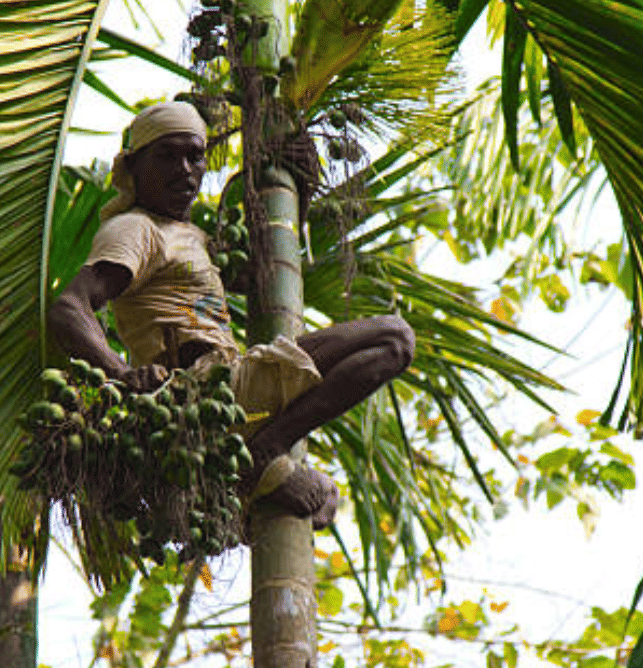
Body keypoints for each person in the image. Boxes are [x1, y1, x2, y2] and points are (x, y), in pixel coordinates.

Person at [48, 101, 414, 530]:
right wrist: (120, 374)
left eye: (194, 156)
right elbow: (69, 308)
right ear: (134, 167)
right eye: (167, 156)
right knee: (394, 338)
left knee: (323, 500)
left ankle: (254, 463)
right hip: (198, 393)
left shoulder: (190, 237)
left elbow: (265, 276)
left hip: (225, 398)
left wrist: (299, 186)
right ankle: (265, 452)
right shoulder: (136, 229)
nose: (184, 168)